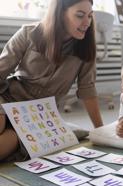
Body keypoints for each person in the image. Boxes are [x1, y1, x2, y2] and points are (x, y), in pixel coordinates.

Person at [0, 0, 103, 161]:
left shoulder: (85, 49)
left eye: (90, 16)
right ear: (60, 14)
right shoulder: (29, 33)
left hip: (39, 116)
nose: (87, 23)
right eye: (80, 15)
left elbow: (87, 90)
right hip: (8, 99)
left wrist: (101, 131)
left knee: (10, 142)